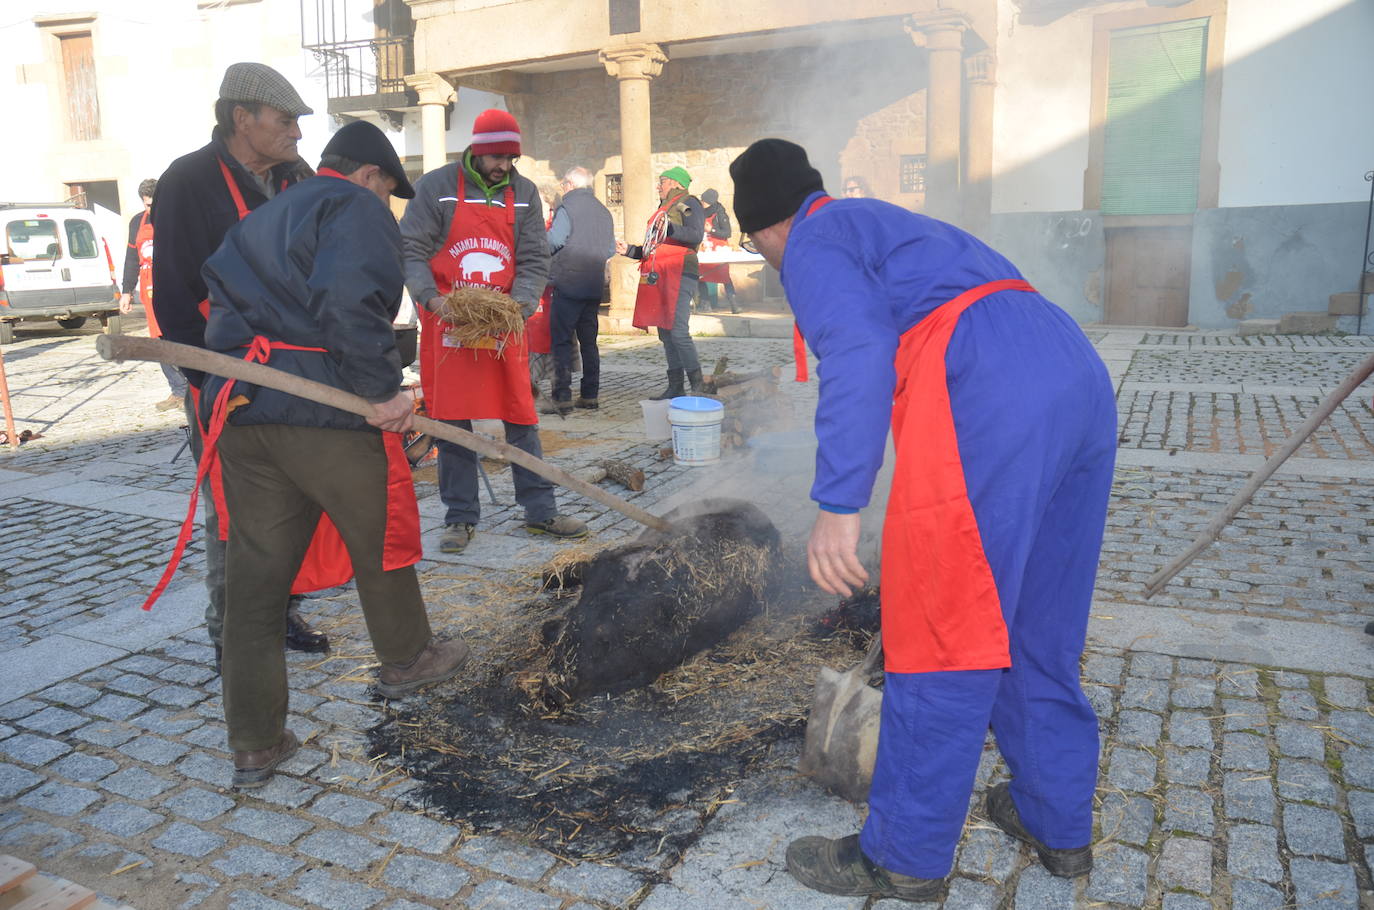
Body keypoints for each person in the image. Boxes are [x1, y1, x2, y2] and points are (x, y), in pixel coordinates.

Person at [729, 139, 1116, 903]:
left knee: (947, 624)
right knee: (1036, 622)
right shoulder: (881, 221)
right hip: (1071, 370)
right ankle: (1055, 819)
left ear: (761, 230)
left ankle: (903, 855)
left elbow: (860, 349)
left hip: (989, 390)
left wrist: (839, 504)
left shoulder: (810, 242)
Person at [200, 120, 468, 789]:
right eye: (388, 190)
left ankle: (255, 741)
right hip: (323, 413)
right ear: (372, 176)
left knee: (257, 586)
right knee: (378, 537)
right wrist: (381, 391)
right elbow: (351, 304)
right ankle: (408, 659)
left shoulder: (265, 217)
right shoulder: (352, 207)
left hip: (243, 413)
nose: (386, 203)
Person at [150, 62, 328, 663]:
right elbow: (172, 292)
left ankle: (282, 613)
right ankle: (232, 630)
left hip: (295, 368)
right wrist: (208, 379)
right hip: (225, 373)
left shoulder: (295, 178)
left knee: (294, 496)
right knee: (234, 503)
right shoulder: (188, 180)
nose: (298, 134)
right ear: (241, 118)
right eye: (286, 121)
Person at [400, 109, 589, 554]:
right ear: (477, 152)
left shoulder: (523, 193)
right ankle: (460, 517)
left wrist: (521, 305)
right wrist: (432, 299)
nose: (503, 165)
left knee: (520, 415)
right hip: (449, 322)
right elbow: (411, 249)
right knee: (452, 421)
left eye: (510, 156)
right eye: (496, 157)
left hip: (504, 323)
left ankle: (540, 511)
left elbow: (534, 259)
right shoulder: (436, 188)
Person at [615, 166, 705, 399]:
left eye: (662, 182)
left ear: (676, 183)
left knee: (677, 331)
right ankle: (675, 386)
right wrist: (631, 250)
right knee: (665, 332)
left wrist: (670, 228)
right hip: (660, 272)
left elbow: (695, 235)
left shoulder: (689, 202)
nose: (658, 186)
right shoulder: (662, 208)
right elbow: (653, 246)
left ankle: (698, 385)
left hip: (680, 270)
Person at [546, 166, 614, 416]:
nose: (563, 187)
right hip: (593, 285)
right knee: (589, 343)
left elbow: (554, 240)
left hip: (568, 283)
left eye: (564, 183)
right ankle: (590, 395)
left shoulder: (568, 208)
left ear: (571, 184)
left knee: (562, 342)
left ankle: (562, 397)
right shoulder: (604, 211)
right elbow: (609, 250)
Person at [118, 177, 186, 410]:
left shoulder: (179, 217)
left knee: (182, 336)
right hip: (150, 290)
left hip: (177, 285)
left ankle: (197, 388)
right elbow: (131, 258)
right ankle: (178, 390)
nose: (152, 209)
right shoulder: (137, 222)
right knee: (159, 340)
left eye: (155, 203)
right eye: (148, 205)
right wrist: (126, 291)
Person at [695, 188, 739, 314]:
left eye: (704, 201)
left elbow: (727, 233)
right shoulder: (700, 212)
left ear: (710, 202)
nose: (702, 203)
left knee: (723, 275)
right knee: (699, 274)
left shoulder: (720, 213)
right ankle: (705, 303)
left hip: (719, 248)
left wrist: (711, 230)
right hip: (704, 247)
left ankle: (734, 303)